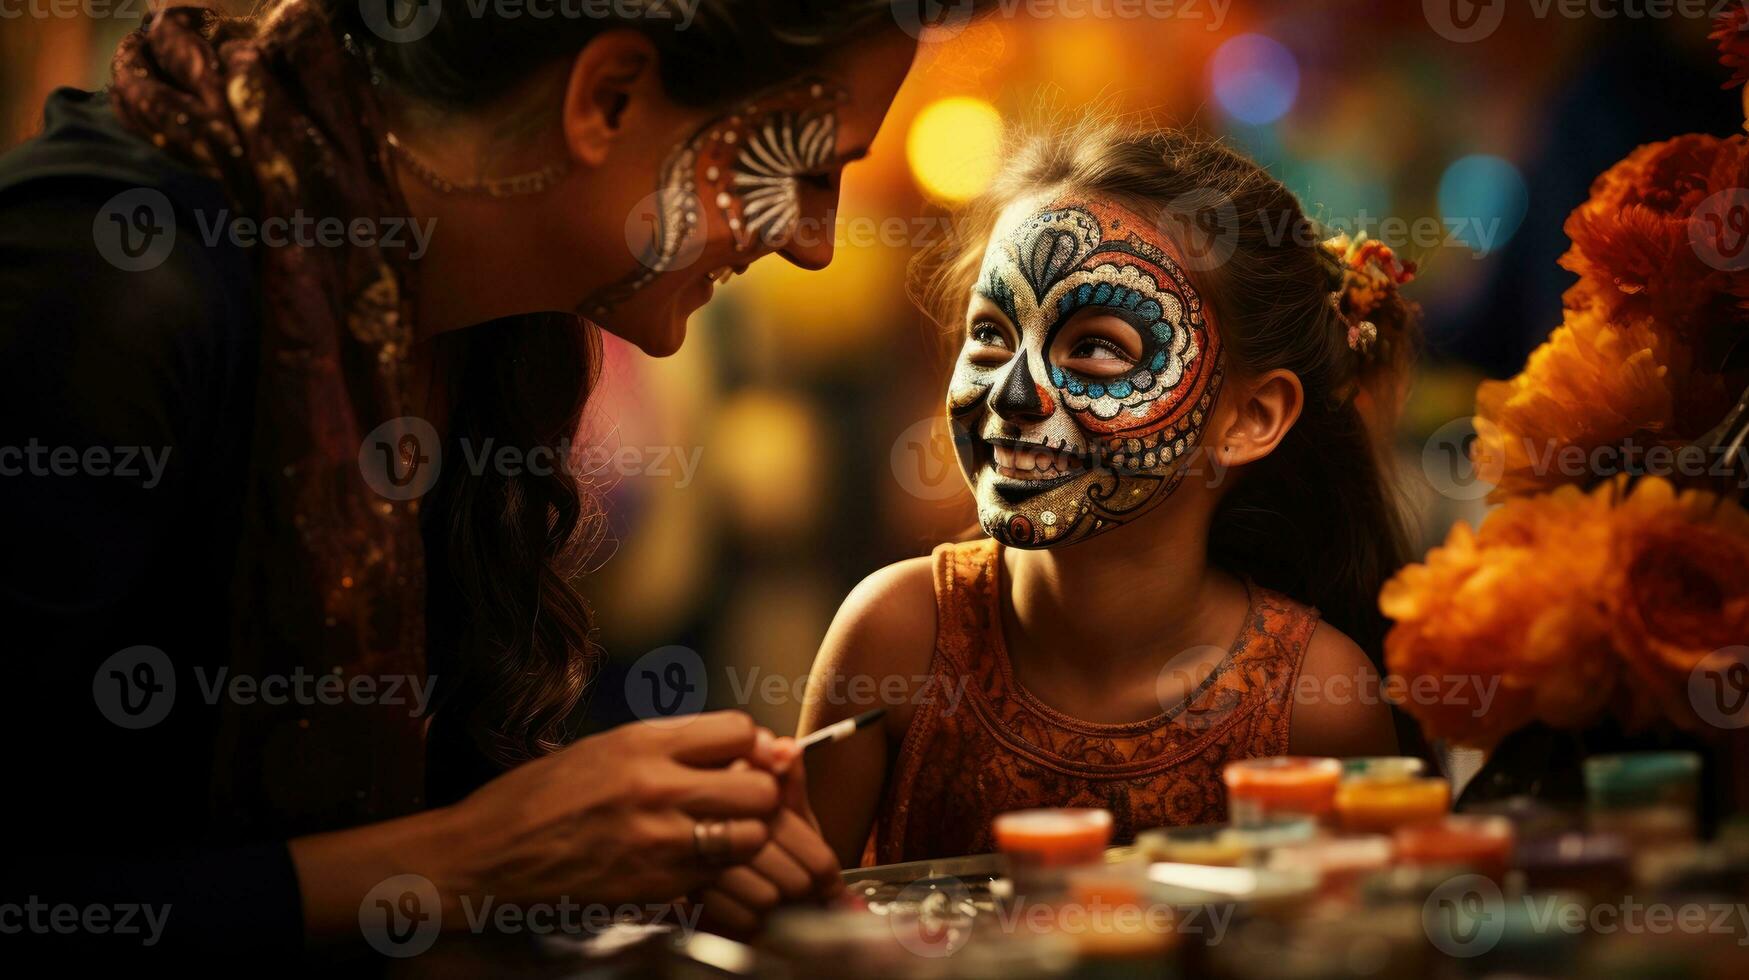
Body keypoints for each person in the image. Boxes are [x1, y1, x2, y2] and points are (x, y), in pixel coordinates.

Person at [0, 0, 950, 959]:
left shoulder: (486, 314)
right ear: (607, 98)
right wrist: (471, 860)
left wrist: (624, 848)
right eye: (802, 168)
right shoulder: (107, 279)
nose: (815, 241)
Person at [800, 119, 1420, 866]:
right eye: (992, 335)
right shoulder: (896, 639)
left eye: (1094, 348)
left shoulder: (1317, 702)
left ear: (1251, 417)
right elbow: (777, 930)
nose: (1013, 393)